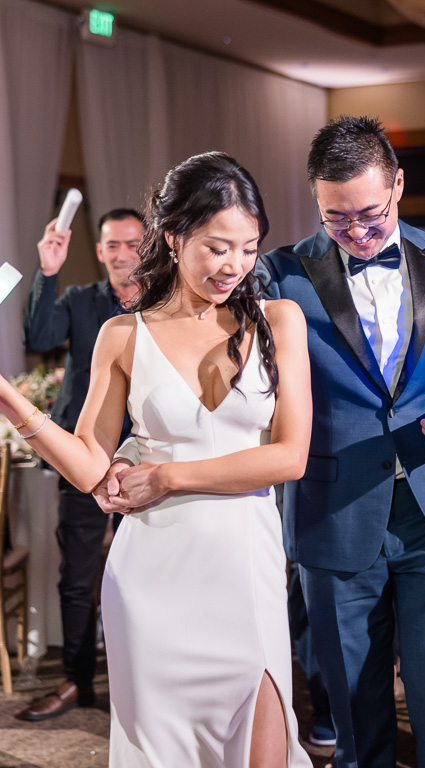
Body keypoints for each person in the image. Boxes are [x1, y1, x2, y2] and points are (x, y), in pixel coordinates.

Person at [0, 152, 313, 768]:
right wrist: (10, 401)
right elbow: (93, 467)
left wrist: (168, 475)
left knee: (265, 745)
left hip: (243, 563)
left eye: (250, 248)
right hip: (151, 578)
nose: (235, 266)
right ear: (173, 236)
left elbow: (290, 456)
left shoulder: (281, 321)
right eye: (218, 247)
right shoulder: (123, 334)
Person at [258, 115, 425, 768]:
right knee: (355, 719)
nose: (358, 233)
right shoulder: (283, 274)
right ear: (315, 199)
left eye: (370, 213)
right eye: (337, 219)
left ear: (398, 184)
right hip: (335, 519)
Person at [18, 208, 144, 720]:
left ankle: (140, 681)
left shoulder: (165, 302)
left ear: (149, 244)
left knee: (147, 573)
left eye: (133, 243)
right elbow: (39, 338)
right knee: (77, 576)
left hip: (149, 454)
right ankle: (76, 682)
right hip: (85, 454)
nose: (123, 254)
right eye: (113, 245)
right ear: (100, 251)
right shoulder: (80, 301)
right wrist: (47, 272)